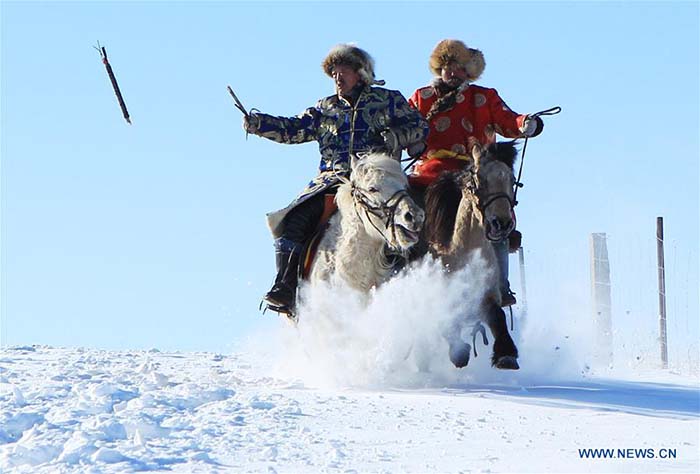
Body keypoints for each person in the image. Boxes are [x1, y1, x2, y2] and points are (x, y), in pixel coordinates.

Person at [243, 44, 429, 314]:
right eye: (333, 74)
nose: (337, 79)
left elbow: (421, 126)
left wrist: (395, 137)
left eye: (343, 72)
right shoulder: (324, 108)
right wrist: (260, 124)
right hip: (332, 183)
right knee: (293, 221)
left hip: (379, 183)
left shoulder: (388, 100)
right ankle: (285, 288)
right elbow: (293, 129)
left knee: (411, 220)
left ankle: (421, 288)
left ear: (361, 73)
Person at [407, 39, 545, 307]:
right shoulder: (422, 97)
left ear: (468, 71)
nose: (453, 72)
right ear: (440, 68)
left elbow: (508, 120)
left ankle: (499, 285)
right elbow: (406, 126)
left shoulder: (484, 97)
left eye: (459, 67)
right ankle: (406, 268)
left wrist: (526, 123)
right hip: (430, 173)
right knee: (403, 210)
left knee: (499, 216)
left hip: (473, 173)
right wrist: (408, 139)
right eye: (448, 65)